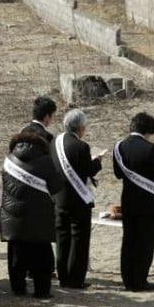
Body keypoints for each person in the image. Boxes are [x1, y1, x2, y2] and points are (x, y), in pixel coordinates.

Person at [0, 127, 61, 299]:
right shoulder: (46, 161)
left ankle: (18, 289)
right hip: (39, 218)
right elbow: (56, 187)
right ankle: (41, 290)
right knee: (42, 255)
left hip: (13, 216)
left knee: (16, 255)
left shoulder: (8, 160)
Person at [112, 112, 154, 291]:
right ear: (147, 130)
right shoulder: (150, 149)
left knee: (129, 241)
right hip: (147, 203)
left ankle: (128, 280)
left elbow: (119, 174)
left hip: (128, 201)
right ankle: (140, 280)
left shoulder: (119, 147)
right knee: (144, 243)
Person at [51, 109, 102, 289]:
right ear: (80, 127)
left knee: (62, 238)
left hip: (59, 197)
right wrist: (98, 162)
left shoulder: (54, 142)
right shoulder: (82, 147)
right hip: (78, 199)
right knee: (79, 239)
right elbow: (88, 169)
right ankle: (76, 279)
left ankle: (63, 277)